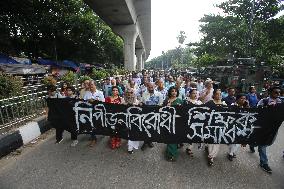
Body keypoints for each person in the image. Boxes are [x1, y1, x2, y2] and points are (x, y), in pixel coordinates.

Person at [250, 86, 282, 173]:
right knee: (262, 144)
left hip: (273, 129)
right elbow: (257, 112)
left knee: (269, 142)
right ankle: (264, 163)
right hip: (262, 127)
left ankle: (252, 144)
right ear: (270, 93)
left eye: (279, 92)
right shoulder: (263, 101)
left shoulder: (281, 102)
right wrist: (267, 107)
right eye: (276, 92)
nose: (278, 94)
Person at [205, 89, 227, 166]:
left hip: (220, 126)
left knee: (217, 141)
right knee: (211, 140)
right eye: (217, 94)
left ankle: (211, 155)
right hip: (210, 125)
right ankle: (210, 157)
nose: (219, 95)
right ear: (214, 95)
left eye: (220, 94)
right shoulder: (209, 103)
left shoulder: (224, 104)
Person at [140, 82, 163, 150]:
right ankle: (145, 142)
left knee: (152, 129)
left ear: (154, 87)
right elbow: (142, 102)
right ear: (147, 87)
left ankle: (150, 141)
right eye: (149, 87)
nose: (150, 88)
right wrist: (141, 103)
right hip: (146, 114)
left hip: (155, 115)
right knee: (145, 129)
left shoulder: (159, 94)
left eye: (152, 87)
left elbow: (161, 104)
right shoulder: (144, 93)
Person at [163, 86, 183, 162]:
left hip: (177, 122)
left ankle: (172, 154)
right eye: (172, 91)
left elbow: (183, 112)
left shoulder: (180, 101)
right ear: (170, 92)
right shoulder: (166, 101)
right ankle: (170, 154)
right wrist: (167, 107)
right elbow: (162, 111)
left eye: (175, 91)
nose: (174, 92)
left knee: (174, 138)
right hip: (168, 122)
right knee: (170, 138)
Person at [227, 93, 249, 161]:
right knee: (233, 141)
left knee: (237, 141)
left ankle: (231, 152)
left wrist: (247, 107)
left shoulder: (245, 106)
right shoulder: (232, 105)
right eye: (242, 98)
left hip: (241, 126)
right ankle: (230, 153)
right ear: (237, 99)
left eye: (244, 99)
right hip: (232, 126)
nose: (243, 100)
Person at [83, 80, 105, 147]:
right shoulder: (87, 93)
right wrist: (88, 100)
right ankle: (93, 139)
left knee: (99, 124)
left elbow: (103, 102)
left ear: (95, 85)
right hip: (89, 112)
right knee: (90, 125)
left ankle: (102, 131)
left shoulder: (100, 93)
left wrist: (96, 101)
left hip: (98, 112)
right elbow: (83, 102)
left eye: (92, 84)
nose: (90, 86)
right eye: (89, 85)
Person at [184, 88, 203, 156]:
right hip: (187, 121)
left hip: (196, 122)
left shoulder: (199, 103)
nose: (195, 95)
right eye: (193, 93)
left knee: (193, 135)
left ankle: (189, 148)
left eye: (196, 93)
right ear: (190, 94)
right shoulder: (186, 101)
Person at [121, 88, 140, 154]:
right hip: (125, 120)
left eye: (131, 92)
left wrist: (134, 105)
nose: (129, 94)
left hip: (134, 120)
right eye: (128, 92)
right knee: (127, 133)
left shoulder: (137, 101)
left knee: (132, 134)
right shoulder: (123, 100)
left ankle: (130, 148)